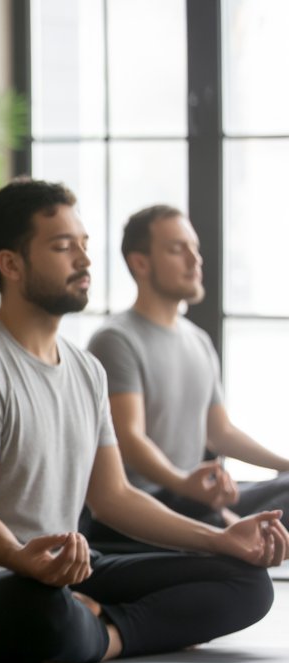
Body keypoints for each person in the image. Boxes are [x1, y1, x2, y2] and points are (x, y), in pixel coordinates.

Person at [0, 178, 282, 663]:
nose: (85, 261)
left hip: (72, 572)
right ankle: (81, 627)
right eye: (63, 246)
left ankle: (105, 635)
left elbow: (114, 496)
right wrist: (26, 561)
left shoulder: (86, 370)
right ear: (11, 264)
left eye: (85, 245)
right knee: (43, 611)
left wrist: (219, 540)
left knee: (246, 580)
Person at [84, 205, 289, 548]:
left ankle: (234, 537)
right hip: (149, 505)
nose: (195, 260)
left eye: (194, 248)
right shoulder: (116, 339)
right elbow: (130, 441)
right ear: (140, 263)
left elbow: (219, 432)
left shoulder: (198, 340)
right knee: (229, 543)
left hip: (195, 498)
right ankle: (230, 538)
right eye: (177, 249)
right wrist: (183, 483)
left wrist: (285, 464)